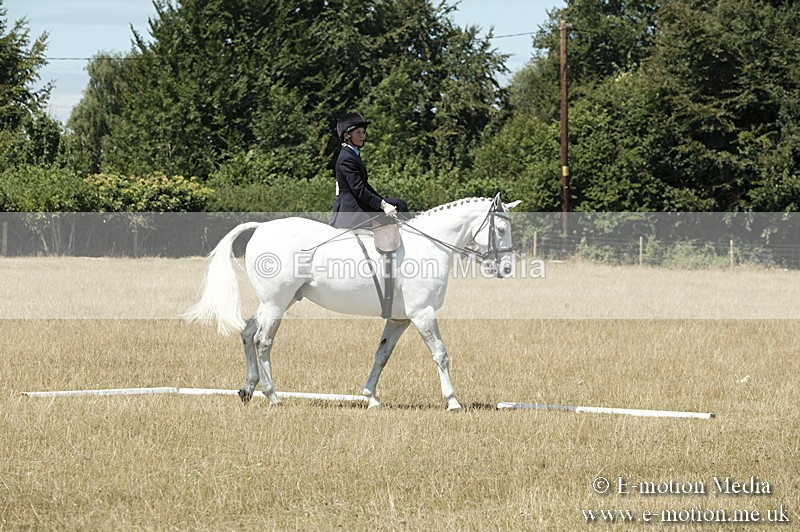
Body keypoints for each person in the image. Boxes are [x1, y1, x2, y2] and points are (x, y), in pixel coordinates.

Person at [328, 112, 408, 229]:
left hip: (358, 203)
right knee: (399, 206)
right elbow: (359, 189)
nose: (362, 136)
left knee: (399, 204)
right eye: (358, 132)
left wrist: (382, 202)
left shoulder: (352, 154)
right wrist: (383, 205)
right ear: (346, 136)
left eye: (363, 132)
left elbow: (365, 186)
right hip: (352, 210)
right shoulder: (346, 158)